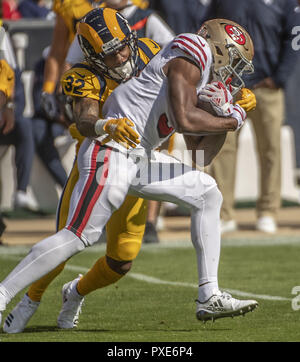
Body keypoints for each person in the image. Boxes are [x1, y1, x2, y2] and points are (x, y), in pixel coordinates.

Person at [0, 14, 259, 331]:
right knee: (79, 235)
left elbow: (200, 151)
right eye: (234, 60)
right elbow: (182, 120)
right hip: (110, 149)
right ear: (219, 47)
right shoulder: (194, 47)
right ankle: (3, 295)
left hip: (139, 155)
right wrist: (232, 119)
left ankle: (209, 295)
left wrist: (228, 110)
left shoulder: (192, 69)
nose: (233, 72)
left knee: (207, 192)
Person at [2, 7, 161, 333]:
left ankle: (75, 292)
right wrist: (106, 124)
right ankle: (30, 298)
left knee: (122, 261)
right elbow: (85, 119)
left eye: (121, 48)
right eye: (109, 53)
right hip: (100, 163)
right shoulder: (84, 74)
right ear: (92, 55)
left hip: (141, 164)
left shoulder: (151, 51)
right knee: (66, 242)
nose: (118, 58)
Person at [203, 0, 300, 234]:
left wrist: (279, 78)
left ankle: (268, 211)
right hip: (229, 85)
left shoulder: (285, 2)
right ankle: (224, 212)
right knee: (223, 148)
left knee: (270, 150)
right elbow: (206, 27)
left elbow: (294, 38)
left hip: (267, 86)